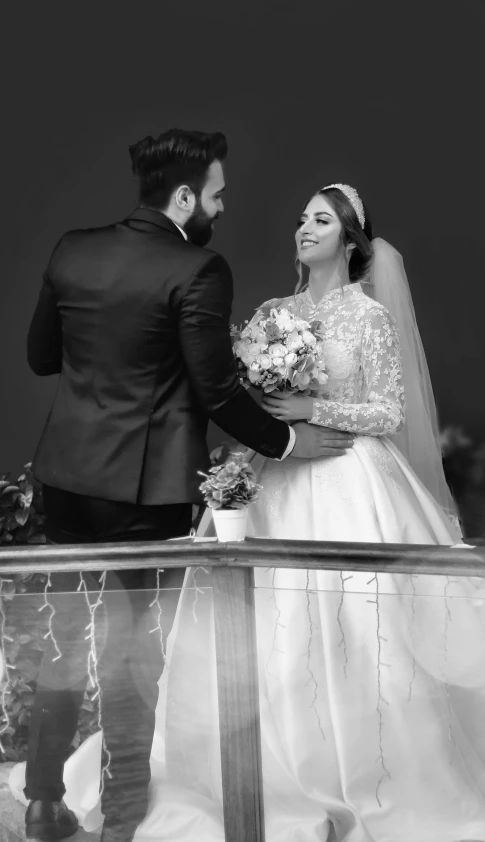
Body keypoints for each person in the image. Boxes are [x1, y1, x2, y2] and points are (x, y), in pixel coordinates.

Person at [20, 134, 352, 842]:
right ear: (183, 198)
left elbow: (41, 356)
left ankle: (45, 802)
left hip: (67, 477)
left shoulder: (72, 248)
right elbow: (217, 392)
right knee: (133, 653)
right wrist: (290, 442)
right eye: (216, 195)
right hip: (147, 492)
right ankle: (122, 817)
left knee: (63, 640)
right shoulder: (198, 267)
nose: (220, 207)